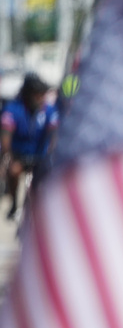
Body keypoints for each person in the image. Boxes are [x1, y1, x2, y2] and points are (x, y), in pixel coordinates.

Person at [1, 73, 58, 221]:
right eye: (38, 95)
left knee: (46, 179)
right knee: (13, 172)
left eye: (42, 95)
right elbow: (6, 135)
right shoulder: (13, 108)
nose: (41, 99)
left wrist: (50, 154)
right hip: (18, 154)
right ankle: (14, 204)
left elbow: (53, 134)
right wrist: (9, 156)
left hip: (40, 155)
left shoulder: (49, 110)